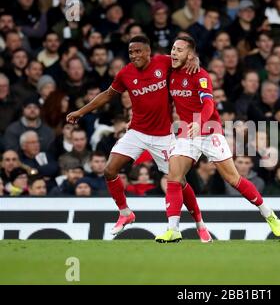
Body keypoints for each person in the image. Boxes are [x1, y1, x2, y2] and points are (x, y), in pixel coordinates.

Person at [67, 35, 208, 240]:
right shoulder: (125, 73)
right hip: (137, 132)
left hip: (163, 136)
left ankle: (199, 223)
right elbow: (107, 94)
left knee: (179, 181)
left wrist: (194, 60)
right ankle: (125, 213)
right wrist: (81, 112)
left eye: (138, 51)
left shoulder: (164, 61)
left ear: (149, 52)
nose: (134, 55)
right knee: (109, 170)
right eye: (131, 52)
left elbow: (185, 57)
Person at [155, 36, 280, 243]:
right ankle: (173, 230)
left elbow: (208, 104)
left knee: (233, 180)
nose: (174, 53)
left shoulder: (200, 74)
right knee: (174, 178)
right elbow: (156, 61)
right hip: (187, 133)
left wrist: (200, 122)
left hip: (210, 130)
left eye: (179, 50)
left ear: (190, 54)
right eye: (173, 48)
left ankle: (267, 212)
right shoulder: (169, 69)